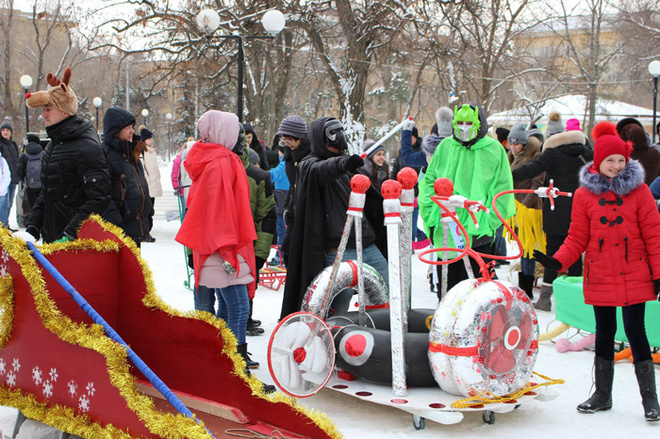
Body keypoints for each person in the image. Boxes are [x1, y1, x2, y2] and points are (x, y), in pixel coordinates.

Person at [533, 121, 660, 422]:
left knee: (636, 332)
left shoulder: (640, 192)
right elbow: (577, 237)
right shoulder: (584, 195)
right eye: (609, 161)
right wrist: (558, 261)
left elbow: (654, 234)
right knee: (603, 332)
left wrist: (658, 272)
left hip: (634, 272)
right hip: (600, 271)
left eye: (620, 160)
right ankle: (602, 394)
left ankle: (650, 400)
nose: (615, 166)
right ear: (597, 162)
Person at [175, 110, 260, 378]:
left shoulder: (209, 158)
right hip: (224, 249)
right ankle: (235, 369)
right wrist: (229, 252)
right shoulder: (223, 161)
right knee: (237, 308)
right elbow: (221, 210)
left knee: (226, 307)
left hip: (212, 247)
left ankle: (225, 364)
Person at [280, 117, 388, 320]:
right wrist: (342, 163)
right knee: (335, 305)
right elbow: (322, 170)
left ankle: (383, 334)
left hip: (365, 242)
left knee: (386, 289)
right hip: (337, 247)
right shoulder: (308, 165)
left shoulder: (347, 166)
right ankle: (327, 342)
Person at [418, 103, 515, 296]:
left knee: (478, 296)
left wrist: (488, 222)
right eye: (459, 122)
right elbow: (428, 182)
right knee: (447, 294)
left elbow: (503, 191)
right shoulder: (445, 147)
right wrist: (430, 214)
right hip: (446, 233)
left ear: (479, 124)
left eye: (468, 123)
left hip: (479, 235)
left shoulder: (494, 150)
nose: (463, 127)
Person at [511, 110, 592, 311]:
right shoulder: (586, 152)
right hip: (581, 210)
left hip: (556, 211)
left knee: (553, 252)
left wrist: (507, 177)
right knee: (575, 252)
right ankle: (577, 300)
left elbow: (531, 170)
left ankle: (545, 298)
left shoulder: (553, 153)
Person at [24, 67, 113, 243]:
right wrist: (33, 226)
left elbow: (99, 197)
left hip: (77, 245)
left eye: (48, 109)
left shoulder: (86, 146)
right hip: (52, 241)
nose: (43, 115)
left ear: (65, 110)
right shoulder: (52, 146)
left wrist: (70, 233)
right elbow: (48, 193)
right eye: (43, 109)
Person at [101, 108, 153, 247]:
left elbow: (141, 187)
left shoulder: (131, 153)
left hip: (133, 230)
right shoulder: (104, 155)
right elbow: (102, 196)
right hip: (117, 233)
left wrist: (148, 214)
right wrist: (117, 224)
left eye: (132, 127)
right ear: (115, 131)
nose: (132, 132)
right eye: (128, 128)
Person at [507, 123, 545, 299]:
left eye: (516, 143)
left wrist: (524, 207)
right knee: (522, 248)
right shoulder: (509, 158)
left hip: (530, 210)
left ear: (524, 143)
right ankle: (524, 286)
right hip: (513, 209)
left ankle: (526, 288)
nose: (512, 147)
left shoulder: (535, 158)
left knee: (528, 249)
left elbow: (537, 184)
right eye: (510, 143)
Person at [277, 115, 311, 263]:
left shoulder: (310, 155)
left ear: (299, 137)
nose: (287, 144)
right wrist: (288, 208)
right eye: (284, 140)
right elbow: (293, 186)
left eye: (289, 139)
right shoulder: (289, 155)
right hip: (294, 212)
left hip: (308, 214)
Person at [268, 135, 290, 266]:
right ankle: (280, 256)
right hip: (281, 202)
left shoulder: (284, 165)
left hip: (282, 202)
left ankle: (280, 257)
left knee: (282, 232)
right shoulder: (288, 164)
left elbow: (273, 174)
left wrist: (261, 175)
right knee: (282, 231)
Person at [139, 126, 162, 242]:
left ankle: (147, 231)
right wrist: (147, 180)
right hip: (147, 185)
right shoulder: (142, 152)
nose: (151, 141)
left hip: (152, 184)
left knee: (151, 209)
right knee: (146, 210)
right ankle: (145, 232)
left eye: (151, 139)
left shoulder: (152, 151)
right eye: (149, 139)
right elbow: (143, 168)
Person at [0, 121, 19, 228]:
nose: (5, 132)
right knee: (4, 203)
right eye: (3, 130)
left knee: (10, 203)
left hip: (13, 178)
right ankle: (3, 224)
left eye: (7, 130)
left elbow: (17, 160)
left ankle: (5, 222)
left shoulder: (13, 144)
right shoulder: (0, 144)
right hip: (3, 179)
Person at [16, 134, 43, 209]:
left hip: (30, 186)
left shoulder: (24, 156)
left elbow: (19, 171)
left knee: (33, 207)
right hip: (43, 185)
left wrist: (22, 180)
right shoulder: (43, 154)